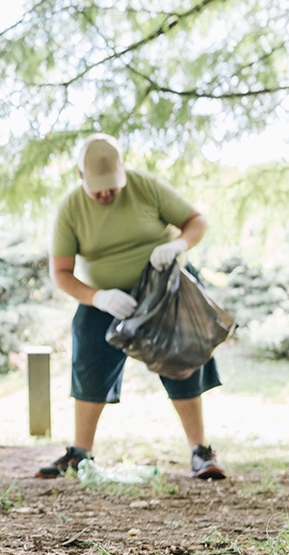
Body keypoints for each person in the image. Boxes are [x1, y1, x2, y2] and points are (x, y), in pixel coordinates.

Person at [36, 132, 226, 481]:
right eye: (98, 189)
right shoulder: (71, 209)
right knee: (89, 357)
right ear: (81, 178)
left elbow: (196, 220)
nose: (107, 193)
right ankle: (80, 453)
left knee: (182, 360)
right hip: (105, 297)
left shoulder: (146, 186)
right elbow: (61, 274)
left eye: (113, 186)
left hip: (163, 289)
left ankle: (200, 450)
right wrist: (99, 297)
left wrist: (179, 245)